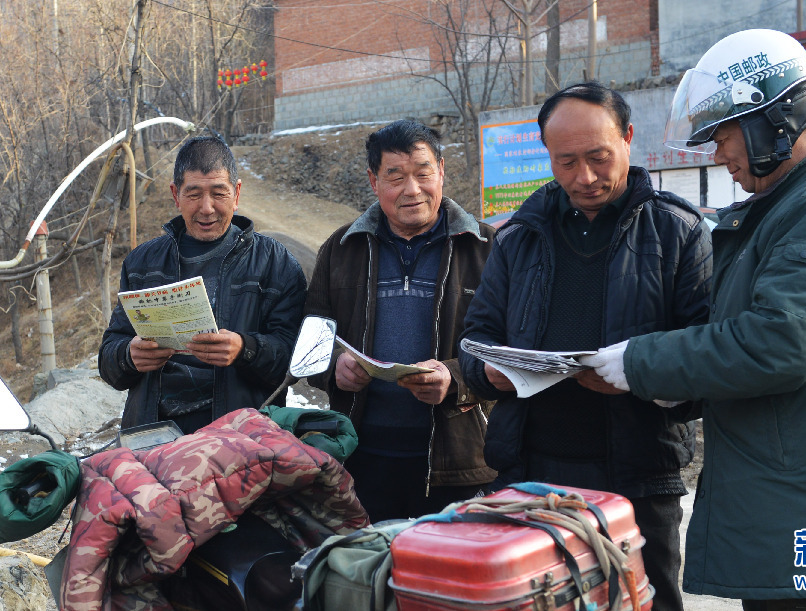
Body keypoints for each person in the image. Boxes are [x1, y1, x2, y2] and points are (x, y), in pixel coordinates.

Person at [584, 29, 806, 609]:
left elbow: (780, 343)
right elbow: (750, 339)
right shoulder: (786, 207)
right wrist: (678, 383)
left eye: (723, 134)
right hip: (802, 505)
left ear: (773, 120)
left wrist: (641, 362)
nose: (719, 154)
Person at [459, 82, 713, 611]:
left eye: (598, 157)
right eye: (566, 161)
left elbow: (708, 355)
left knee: (644, 601)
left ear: (628, 137)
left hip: (638, 478)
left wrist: (638, 374)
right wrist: (490, 374)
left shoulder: (679, 231)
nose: (585, 177)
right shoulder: (516, 236)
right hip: (532, 475)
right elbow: (474, 341)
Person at [305, 119, 496, 522]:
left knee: (449, 577)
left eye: (423, 173)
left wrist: (455, 378)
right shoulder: (341, 249)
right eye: (395, 176)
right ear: (374, 182)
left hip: (461, 460)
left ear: (441, 171)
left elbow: (513, 349)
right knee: (373, 577)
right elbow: (311, 345)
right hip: (360, 457)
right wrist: (332, 369)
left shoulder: (488, 248)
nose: (412, 190)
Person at [99, 136, 307, 434]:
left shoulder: (275, 264)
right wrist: (129, 356)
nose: (207, 208)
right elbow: (109, 361)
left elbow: (295, 363)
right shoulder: (143, 264)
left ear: (236, 193)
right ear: (176, 194)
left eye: (218, 193)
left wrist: (245, 349)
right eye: (194, 194)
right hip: (153, 439)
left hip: (243, 440)